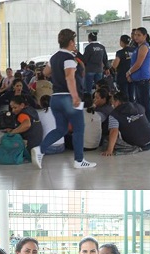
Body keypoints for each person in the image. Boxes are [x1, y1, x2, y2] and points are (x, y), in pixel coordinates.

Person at [32, 29, 96, 170]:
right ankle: (79, 160)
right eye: (74, 41)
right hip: (69, 98)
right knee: (79, 129)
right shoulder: (69, 59)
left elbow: (46, 72)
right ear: (71, 42)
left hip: (55, 98)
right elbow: (69, 77)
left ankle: (40, 149)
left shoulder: (54, 57)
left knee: (61, 129)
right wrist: (74, 96)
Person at [102, 91, 150, 156]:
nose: (112, 104)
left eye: (113, 101)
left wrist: (109, 150)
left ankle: (133, 148)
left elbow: (114, 131)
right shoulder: (138, 106)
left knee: (107, 140)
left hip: (140, 145)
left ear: (117, 101)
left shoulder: (114, 114)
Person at [127, 27, 150, 124]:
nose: (136, 37)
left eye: (139, 35)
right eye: (135, 35)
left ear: (145, 36)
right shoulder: (138, 47)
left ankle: (149, 126)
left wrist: (129, 72)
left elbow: (138, 63)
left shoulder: (144, 47)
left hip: (143, 80)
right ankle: (142, 125)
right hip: (137, 80)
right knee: (139, 105)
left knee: (145, 105)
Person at [7, 95, 43, 163]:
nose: (13, 110)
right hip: (38, 146)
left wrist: (12, 132)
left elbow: (27, 124)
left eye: (15, 107)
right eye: (12, 108)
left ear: (22, 105)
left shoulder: (22, 114)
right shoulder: (31, 110)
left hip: (29, 149)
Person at [112, 35, 135, 102]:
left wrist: (112, 64)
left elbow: (115, 65)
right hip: (132, 75)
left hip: (122, 76)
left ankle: (126, 109)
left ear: (121, 42)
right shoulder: (134, 50)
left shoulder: (120, 53)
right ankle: (132, 109)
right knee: (131, 95)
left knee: (124, 95)